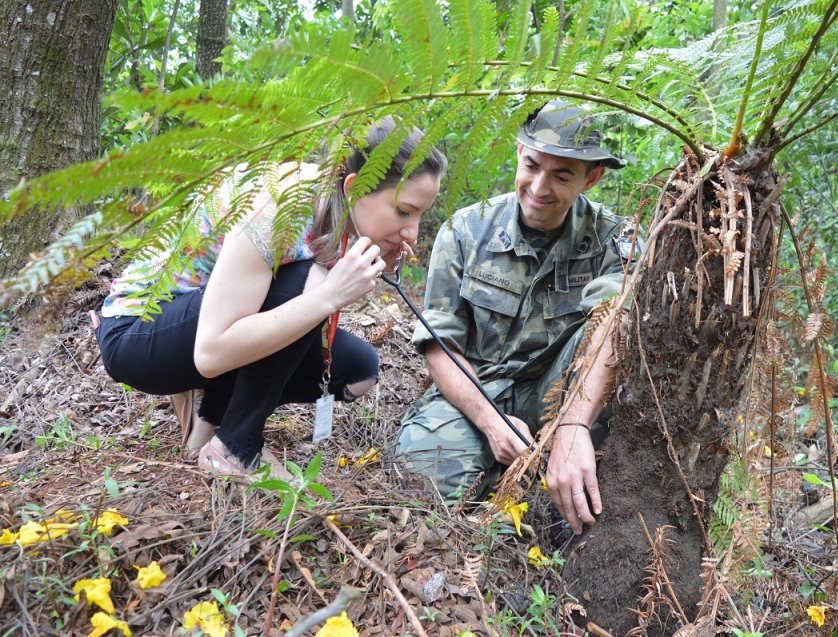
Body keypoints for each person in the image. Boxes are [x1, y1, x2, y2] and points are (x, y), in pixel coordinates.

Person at [93, 118, 447, 479]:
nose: (413, 232)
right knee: (310, 283)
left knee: (356, 372)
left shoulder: (334, 202)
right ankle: (235, 448)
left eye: (420, 214)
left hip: (210, 316)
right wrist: (329, 294)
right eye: (404, 211)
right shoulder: (280, 207)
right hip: (139, 332)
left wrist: (345, 284)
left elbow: (302, 312)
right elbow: (211, 352)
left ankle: (209, 414)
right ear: (355, 187)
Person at [395, 101, 633, 534]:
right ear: (519, 152)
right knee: (425, 476)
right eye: (532, 165)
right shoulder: (465, 230)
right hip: (476, 390)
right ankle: (503, 493)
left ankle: (551, 489)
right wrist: (490, 420)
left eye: (562, 175)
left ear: (591, 178)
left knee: (614, 323)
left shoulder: (612, 241)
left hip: (562, 397)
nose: (539, 187)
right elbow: (438, 344)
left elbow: (612, 330)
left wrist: (573, 425)